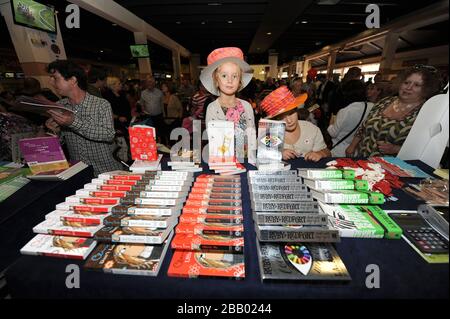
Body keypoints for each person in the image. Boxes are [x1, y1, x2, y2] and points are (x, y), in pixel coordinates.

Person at [45, 60, 122, 176]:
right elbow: (63, 141)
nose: (51, 82)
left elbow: (108, 134)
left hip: (105, 171)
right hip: (78, 171)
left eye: (55, 78)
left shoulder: (100, 104)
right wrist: (54, 132)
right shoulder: (60, 105)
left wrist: (73, 122)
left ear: (73, 80)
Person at [345, 65, 441, 157]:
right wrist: (352, 145)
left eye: (416, 85)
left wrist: (396, 149)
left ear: (426, 89)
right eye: (406, 83)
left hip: (391, 167)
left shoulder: (426, 112)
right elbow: (364, 125)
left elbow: (426, 146)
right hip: (362, 157)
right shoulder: (385, 101)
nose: (409, 87)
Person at [201, 47, 255, 159]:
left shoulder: (247, 106)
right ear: (216, 80)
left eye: (234, 76)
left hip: (246, 160)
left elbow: (252, 137)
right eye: (224, 75)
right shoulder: (212, 108)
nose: (230, 80)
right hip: (223, 162)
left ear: (240, 81)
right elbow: (214, 142)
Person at [261, 86, 330, 162]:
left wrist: (320, 153)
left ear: (297, 111)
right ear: (275, 120)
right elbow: (259, 155)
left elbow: (328, 152)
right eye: (281, 117)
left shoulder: (311, 129)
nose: (289, 120)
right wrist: (277, 153)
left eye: (291, 113)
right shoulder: (269, 132)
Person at [327, 80, 374, 157]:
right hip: (360, 149)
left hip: (341, 150)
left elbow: (333, 133)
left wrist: (331, 123)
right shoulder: (371, 106)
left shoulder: (345, 111)